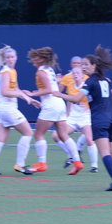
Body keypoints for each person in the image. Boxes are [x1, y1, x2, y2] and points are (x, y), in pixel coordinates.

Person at [54, 46, 112, 191]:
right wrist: (109, 109)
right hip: (111, 119)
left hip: (99, 120)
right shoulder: (106, 80)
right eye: (82, 64)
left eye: (86, 64)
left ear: (94, 65)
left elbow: (76, 99)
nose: (83, 67)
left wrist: (60, 94)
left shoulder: (90, 82)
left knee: (104, 153)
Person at [0, 45, 40, 176]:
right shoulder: (6, 72)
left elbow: (16, 89)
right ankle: (20, 164)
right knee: (28, 133)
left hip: (2, 110)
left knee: (0, 139)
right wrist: (20, 95)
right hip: (7, 109)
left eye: (12, 57)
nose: (10, 59)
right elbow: (5, 92)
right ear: (4, 59)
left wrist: (29, 98)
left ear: (16, 58)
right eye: (8, 57)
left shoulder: (12, 71)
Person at [24, 47, 83, 175]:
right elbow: (51, 87)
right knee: (63, 135)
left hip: (51, 105)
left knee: (38, 134)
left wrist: (32, 94)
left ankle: (42, 163)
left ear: (42, 59)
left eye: (35, 58)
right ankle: (77, 162)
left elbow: (48, 90)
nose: (33, 61)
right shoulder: (49, 69)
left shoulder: (41, 72)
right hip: (59, 105)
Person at [54, 64, 99, 172]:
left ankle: (94, 166)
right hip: (73, 117)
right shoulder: (70, 85)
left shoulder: (86, 86)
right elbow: (60, 94)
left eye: (78, 73)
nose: (75, 75)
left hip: (85, 116)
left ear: (83, 75)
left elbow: (90, 100)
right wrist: (57, 82)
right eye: (74, 73)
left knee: (89, 139)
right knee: (56, 135)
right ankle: (72, 155)